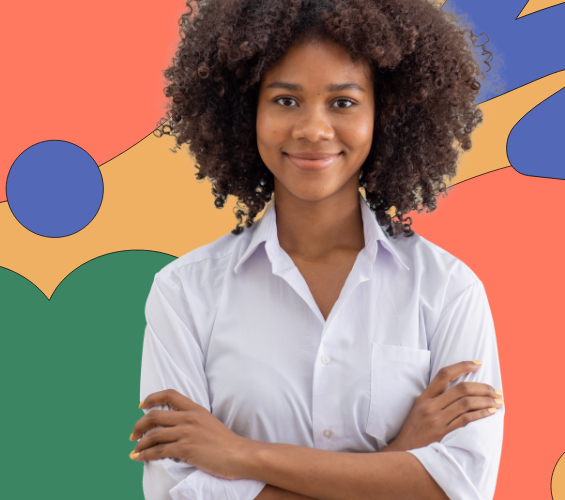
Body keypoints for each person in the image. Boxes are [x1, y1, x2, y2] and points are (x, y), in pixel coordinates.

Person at [131, 0, 504, 499]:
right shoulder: (185, 293)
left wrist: (241, 455)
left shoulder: (448, 290)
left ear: (384, 113)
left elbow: (459, 488)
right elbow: (178, 493)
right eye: (286, 100)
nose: (312, 130)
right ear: (247, 111)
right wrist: (397, 462)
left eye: (343, 103)